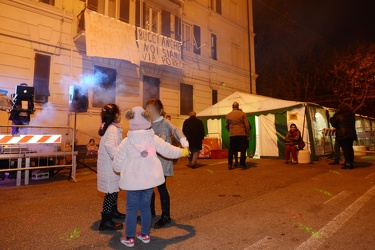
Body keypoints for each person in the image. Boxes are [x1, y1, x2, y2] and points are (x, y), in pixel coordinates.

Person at [113, 106, 189, 248]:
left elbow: (117, 163)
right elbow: (168, 150)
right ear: (147, 120)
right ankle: (145, 234)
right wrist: (183, 152)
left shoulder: (126, 142)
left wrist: (117, 170)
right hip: (149, 181)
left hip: (132, 183)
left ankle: (129, 237)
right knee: (146, 207)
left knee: (131, 209)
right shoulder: (152, 138)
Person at [145, 99, 189, 228]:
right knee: (148, 188)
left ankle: (166, 216)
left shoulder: (165, 123)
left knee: (161, 188)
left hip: (163, 162)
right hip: (150, 161)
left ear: (159, 111)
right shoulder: (148, 124)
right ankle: (150, 212)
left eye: (152, 111)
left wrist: (183, 141)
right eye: (148, 111)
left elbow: (176, 130)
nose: (150, 113)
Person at [97, 104, 125, 231]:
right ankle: (106, 220)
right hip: (110, 168)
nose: (121, 116)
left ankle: (114, 212)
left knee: (114, 191)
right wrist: (118, 160)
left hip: (110, 167)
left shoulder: (111, 128)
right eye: (119, 113)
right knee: (110, 193)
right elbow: (112, 148)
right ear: (115, 116)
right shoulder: (112, 130)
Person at [330, 103, 357, 169]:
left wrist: (331, 119)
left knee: (345, 149)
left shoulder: (339, 114)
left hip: (342, 134)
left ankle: (347, 163)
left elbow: (334, 123)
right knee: (350, 148)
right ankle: (351, 162)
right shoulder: (351, 115)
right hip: (351, 134)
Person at [225, 102, 251, 170]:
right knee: (243, 150)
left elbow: (226, 125)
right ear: (238, 106)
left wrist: (230, 130)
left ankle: (230, 164)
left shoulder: (228, 115)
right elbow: (247, 125)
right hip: (242, 134)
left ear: (232, 107)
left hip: (233, 134)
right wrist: (248, 134)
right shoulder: (242, 114)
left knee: (231, 150)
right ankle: (242, 164)